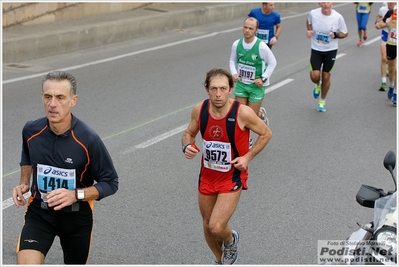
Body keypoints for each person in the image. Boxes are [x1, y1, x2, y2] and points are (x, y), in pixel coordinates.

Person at [12, 71, 119, 264]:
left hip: (76, 217)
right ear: (42, 97)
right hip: (40, 213)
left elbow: (110, 182)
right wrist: (24, 182)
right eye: (48, 97)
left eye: (60, 97)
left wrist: (74, 194)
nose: (52, 104)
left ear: (73, 100)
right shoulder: (31, 130)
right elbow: (27, 155)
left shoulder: (88, 139)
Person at [181, 68, 272, 264]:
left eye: (223, 88)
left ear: (231, 89)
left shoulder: (243, 113)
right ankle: (220, 260)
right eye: (213, 88)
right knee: (207, 226)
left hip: (232, 177)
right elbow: (188, 133)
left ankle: (230, 240)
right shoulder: (200, 110)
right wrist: (186, 146)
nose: (218, 93)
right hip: (207, 176)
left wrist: (247, 157)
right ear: (207, 90)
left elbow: (266, 134)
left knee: (216, 226)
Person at [229, 17, 276, 147]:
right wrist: (234, 73)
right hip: (242, 84)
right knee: (241, 113)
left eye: (250, 28)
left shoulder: (261, 46)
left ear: (256, 30)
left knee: (252, 115)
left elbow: (273, 63)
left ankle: (260, 114)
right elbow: (232, 61)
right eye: (245, 27)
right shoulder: (236, 44)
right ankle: (247, 139)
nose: (247, 31)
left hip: (256, 86)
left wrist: (263, 78)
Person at [306, 2, 348, 112]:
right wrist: (310, 30)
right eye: (323, 2)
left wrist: (336, 35)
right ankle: (317, 85)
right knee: (315, 76)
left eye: (328, 2)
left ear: (332, 3)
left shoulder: (338, 17)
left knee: (326, 77)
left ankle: (322, 101)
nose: (326, 4)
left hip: (331, 50)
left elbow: (345, 33)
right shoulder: (313, 13)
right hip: (316, 49)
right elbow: (308, 22)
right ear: (319, 3)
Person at [377, 2, 397, 105]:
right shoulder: (390, 12)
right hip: (391, 42)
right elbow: (380, 24)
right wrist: (386, 23)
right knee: (392, 67)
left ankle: (396, 94)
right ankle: (391, 85)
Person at [375, 2, 389, 91]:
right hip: (386, 33)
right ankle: (383, 83)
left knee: (392, 62)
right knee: (384, 58)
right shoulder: (383, 9)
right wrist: (378, 23)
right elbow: (379, 16)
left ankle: (393, 86)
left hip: (395, 35)